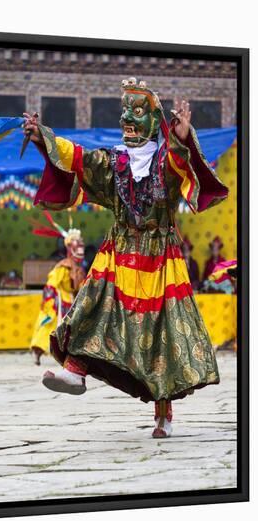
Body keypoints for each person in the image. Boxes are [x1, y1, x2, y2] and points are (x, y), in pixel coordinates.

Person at [23, 77, 228, 438]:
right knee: (95, 306)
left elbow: (183, 168)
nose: (127, 119)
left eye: (137, 111)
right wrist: (44, 137)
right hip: (119, 252)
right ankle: (75, 369)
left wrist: (182, 138)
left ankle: (163, 410)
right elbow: (78, 158)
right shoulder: (113, 162)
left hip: (159, 259)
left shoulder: (165, 161)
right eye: (124, 112)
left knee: (162, 332)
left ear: (153, 120)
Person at [30, 213, 86, 365]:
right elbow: (51, 283)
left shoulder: (79, 269)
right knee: (50, 324)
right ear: (69, 248)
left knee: (70, 330)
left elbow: (80, 287)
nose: (80, 248)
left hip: (71, 301)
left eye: (80, 245)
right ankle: (37, 351)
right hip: (59, 301)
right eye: (76, 245)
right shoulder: (64, 265)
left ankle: (69, 358)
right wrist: (50, 301)